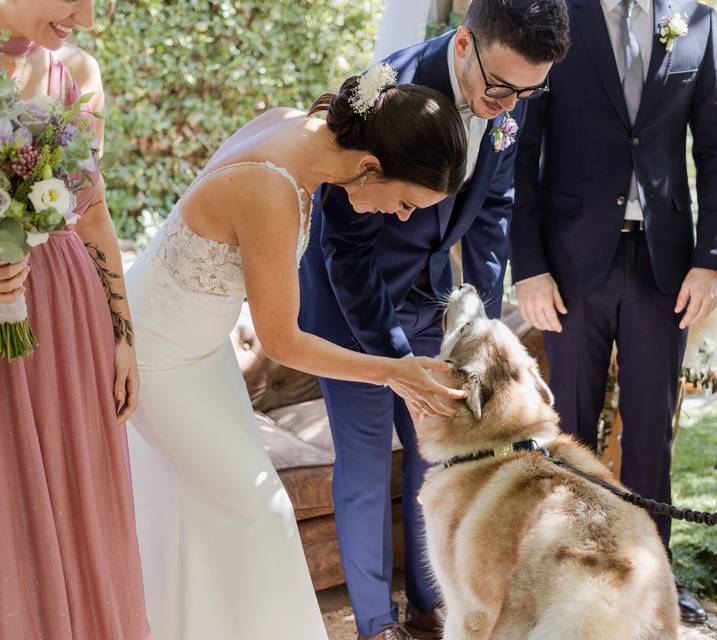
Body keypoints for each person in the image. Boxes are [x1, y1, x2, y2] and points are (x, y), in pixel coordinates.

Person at [123, 68, 468, 640]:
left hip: (198, 350)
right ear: (371, 167)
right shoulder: (272, 187)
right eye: (406, 203)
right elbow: (282, 341)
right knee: (261, 514)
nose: (401, 217)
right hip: (158, 357)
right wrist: (393, 372)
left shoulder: (295, 127)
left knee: (203, 511)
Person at [298, 2, 571, 638]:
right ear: (464, 44)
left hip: (431, 299)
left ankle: (432, 600)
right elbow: (345, 250)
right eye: (500, 88)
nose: (510, 105)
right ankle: (374, 624)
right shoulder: (387, 97)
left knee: (442, 457)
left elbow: (497, 200)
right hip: (350, 310)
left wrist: (476, 308)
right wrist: (396, 363)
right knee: (366, 462)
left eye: (529, 91)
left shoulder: (510, 88)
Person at [510, 0, 717, 624]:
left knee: (650, 436)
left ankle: (654, 586)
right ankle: (571, 580)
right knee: (572, 432)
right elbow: (522, 152)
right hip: (572, 268)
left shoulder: (696, 21)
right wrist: (527, 265)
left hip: (665, 268)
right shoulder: (555, 18)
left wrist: (709, 260)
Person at [0, 2, 152, 638]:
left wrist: (121, 338)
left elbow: (92, 214)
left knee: (76, 508)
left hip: (65, 321)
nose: (86, 17)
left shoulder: (68, 72)